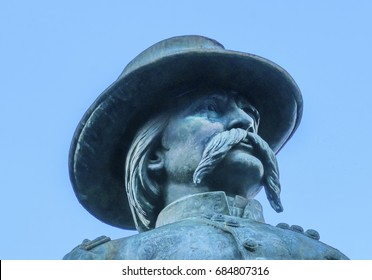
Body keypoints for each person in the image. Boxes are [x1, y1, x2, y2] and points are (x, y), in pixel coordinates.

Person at [64, 35, 348, 259]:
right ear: (153, 155)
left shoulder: (321, 258)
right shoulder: (105, 262)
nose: (245, 121)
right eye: (211, 108)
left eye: (251, 113)